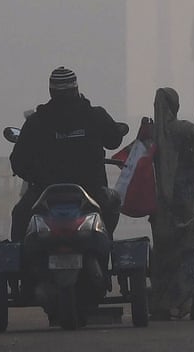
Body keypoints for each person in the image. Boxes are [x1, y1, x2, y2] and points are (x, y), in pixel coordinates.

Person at [8, 67, 127, 242]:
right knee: (112, 203)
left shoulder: (37, 121)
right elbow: (113, 141)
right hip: (92, 189)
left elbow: (18, 161)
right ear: (76, 89)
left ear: (51, 91)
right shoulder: (95, 116)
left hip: (44, 190)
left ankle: (17, 263)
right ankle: (107, 244)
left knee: (20, 215)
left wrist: (35, 175)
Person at [149, 87, 194, 320]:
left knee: (165, 254)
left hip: (162, 203)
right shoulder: (184, 129)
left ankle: (162, 305)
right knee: (193, 250)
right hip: (188, 198)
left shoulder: (151, 134)